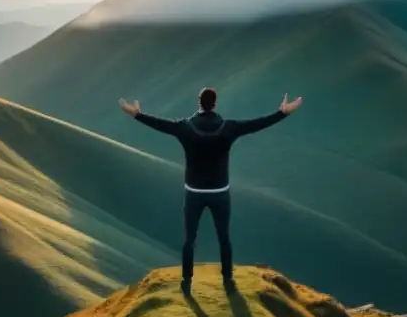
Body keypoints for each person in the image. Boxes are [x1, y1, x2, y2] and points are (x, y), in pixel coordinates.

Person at [119, 87, 303, 296]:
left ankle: (186, 281)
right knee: (224, 238)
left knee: (190, 239)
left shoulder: (184, 127)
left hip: (194, 193)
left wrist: (137, 114)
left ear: (199, 103)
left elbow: (160, 125)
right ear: (214, 104)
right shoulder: (229, 128)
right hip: (220, 193)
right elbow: (256, 124)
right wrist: (282, 113)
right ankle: (228, 280)